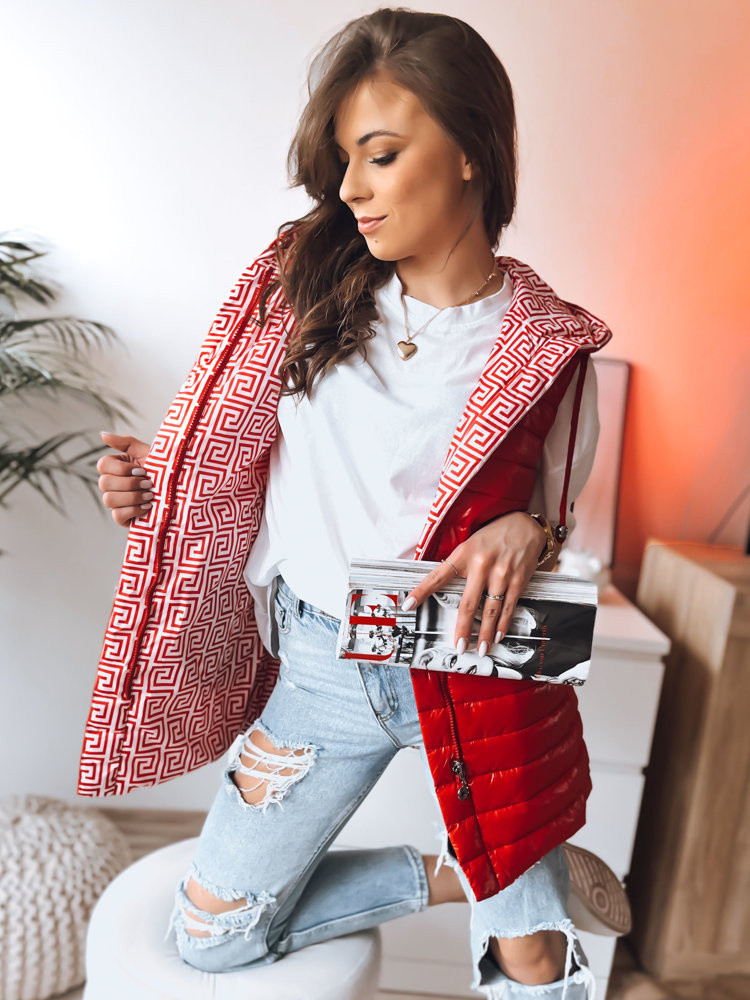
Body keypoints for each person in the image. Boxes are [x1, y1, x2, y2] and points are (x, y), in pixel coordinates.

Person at [88, 9, 625, 999]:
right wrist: (151, 485)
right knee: (213, 936)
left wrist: (531, 529)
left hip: (467, 661)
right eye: (344, 160)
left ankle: (517, 905)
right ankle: (452, 875)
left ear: (470, 151)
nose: (350, 189)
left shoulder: (552, 349)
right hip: (323, 664)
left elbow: (553, 516)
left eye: (380, 155)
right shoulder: (300, 285)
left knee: (533, 960)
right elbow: (227, 454)